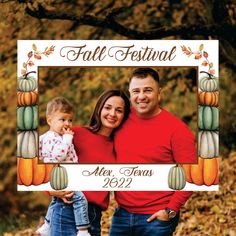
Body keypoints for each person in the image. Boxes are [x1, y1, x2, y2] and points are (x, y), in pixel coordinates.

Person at [110, 68, 197, 236]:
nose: (141, 96)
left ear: (159, 93)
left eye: (148, 90)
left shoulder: (177, 130)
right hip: (121, 215)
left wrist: (170, 211)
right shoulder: (119, 121)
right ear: (129, 94)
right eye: (136, 91)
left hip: (156, 218)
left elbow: (190, 176)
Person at [48, 90, 130, 236]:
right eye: (108, 107)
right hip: (68, 209)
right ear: (99, 108)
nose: (112, 114)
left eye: (119, 110)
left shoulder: (121, 146)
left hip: (94, 216)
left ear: (124, 116)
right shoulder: (75, 134)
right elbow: (49, 157)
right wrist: (49, 190)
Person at [36, 97, 91, 236]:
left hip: (62, 175)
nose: (67, 123)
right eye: (63, 120)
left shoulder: (52, 136)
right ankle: (83, 230)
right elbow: (58, 155)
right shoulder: (54, 138)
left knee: (55, 201)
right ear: (49, 120)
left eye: (70, 120)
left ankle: (47, 225)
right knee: (79, 198)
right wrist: (67, 139)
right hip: (62, 176)